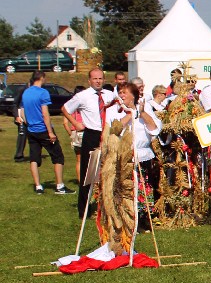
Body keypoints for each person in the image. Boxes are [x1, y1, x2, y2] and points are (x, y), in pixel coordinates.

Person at [106, 82, 162, 224]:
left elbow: (154, 129)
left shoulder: (144, 108)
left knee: (144, 187)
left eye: (125, 92)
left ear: (133, 95)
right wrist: (130, 114)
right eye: (120, 92)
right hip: (123, 156)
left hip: (142, 156)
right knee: (125, 187)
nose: (122, 95)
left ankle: (143, 217)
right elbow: (115, 129)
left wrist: (141, 113)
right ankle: (125, 216)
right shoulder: (113, 110)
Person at [62, 68, 116, 216]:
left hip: (107, 133)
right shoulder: (82, 96)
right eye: (95, 79)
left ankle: (107, 206)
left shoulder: (110, 95)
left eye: (100, 78)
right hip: (91, 134)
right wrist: (75, 123)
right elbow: (65, 108)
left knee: (109, 170)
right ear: (89, 80)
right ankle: (84, 209)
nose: (98, 81)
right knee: (89, 173)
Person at [22, 71, 71, 195]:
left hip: (31, 130)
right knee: (58, 156)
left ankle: (38, 186)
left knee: (34, 158)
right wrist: (50, 132)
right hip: (43, 129)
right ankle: (59, 186)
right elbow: (45, 113)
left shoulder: (26, 92)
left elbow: (22, 112)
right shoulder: (43, 93)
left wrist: (28, 124)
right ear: (42, 78)